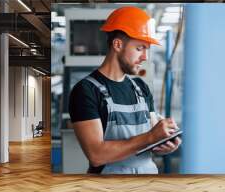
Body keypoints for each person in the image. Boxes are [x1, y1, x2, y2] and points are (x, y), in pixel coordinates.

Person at [69, 6, 181, 174]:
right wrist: (151, 136)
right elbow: (96, 155)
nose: (145, 57)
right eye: (139, 48)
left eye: (147, 50)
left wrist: (164, 143)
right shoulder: (86, 91)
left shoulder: (141, 88)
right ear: (118, 44)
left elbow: (150, 141)